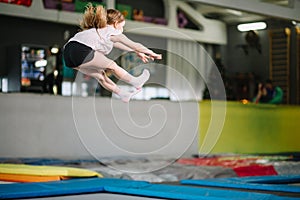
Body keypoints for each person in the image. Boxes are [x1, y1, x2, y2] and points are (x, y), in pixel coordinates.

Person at [63, 3, 162, 102]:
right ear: (115, 24)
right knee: (112, 66)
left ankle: (122, 94)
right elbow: (134, 44)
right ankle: (136, 82)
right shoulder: (111, 30)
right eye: (122, 26)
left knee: (101, 76)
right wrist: (151, 52)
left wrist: (136, 51)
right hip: (80, 49)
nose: (122, 30)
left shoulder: (100, 32)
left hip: (68, 55)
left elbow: (122, 45)